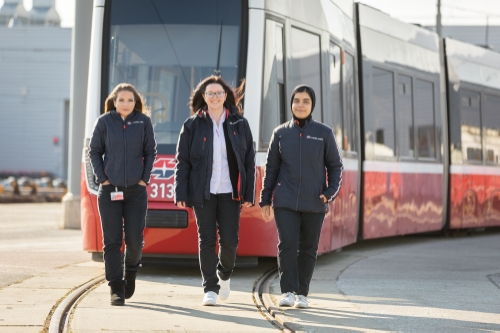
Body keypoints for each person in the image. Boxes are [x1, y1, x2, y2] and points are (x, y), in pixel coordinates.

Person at [259, 84, 343, 309]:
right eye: (297, 100)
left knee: (308, 248)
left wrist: (328, 193)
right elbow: (271, 170)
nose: (301, 105)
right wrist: (265, 199)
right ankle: (287, 291)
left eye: (306, 101)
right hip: (285, 201)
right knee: (287, 244)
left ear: (312, 104)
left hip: (314, 201)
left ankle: (302, 294)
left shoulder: (323, 133)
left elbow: (335, 166)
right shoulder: (280, 133)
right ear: (291, 104)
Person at [174, 75, 255, 306]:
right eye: (210, 93)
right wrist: (180, 193)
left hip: (231, 193)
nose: (215, 97)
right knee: (206, 239)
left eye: (219, 93)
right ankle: (210, 287)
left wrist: (249, 193)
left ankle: (224, 274)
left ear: (226, 95)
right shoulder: (192, 125)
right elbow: (183, 162)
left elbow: (248, 161)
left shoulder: (240, 123)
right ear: (203, 97)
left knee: (229, 241)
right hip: (203, 193)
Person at [89, 83, 157, 306]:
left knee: (135, 241)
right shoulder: (104, 122)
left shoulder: (143, 122)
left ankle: (131, 275)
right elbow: (95, 151)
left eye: (130, 100)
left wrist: (143, 180)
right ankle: (116, 287)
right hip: (109, 191)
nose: (126, 104)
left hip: (136, 192)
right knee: (111, 241)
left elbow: (150, 151)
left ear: (136, 101)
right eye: (121, 100)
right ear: (114, 101)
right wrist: (103, 179)